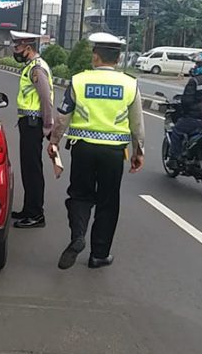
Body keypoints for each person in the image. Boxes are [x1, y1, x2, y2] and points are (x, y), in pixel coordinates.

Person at [48, 32, 145, 269]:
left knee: (80, 195)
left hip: (83, 150)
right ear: (119, 58)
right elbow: (137, 123)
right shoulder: (130, 83)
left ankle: (78, 236)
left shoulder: (79, 80)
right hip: (113, 153)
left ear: (95, 57)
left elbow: (62, 117)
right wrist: (138, 151)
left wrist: (54, 141)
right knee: (108, 202)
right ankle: (99, 254)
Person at [11, 31, 55, 229]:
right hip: (28, 123)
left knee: (33, 170)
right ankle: (29, 209)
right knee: (28, 169)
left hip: (33, 124)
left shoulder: (37, 69)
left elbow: (45, 99)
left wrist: (48, 126)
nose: (16, 51)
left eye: (18, 48)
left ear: (28, 48)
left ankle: (36, 214)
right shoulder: (31, 67)